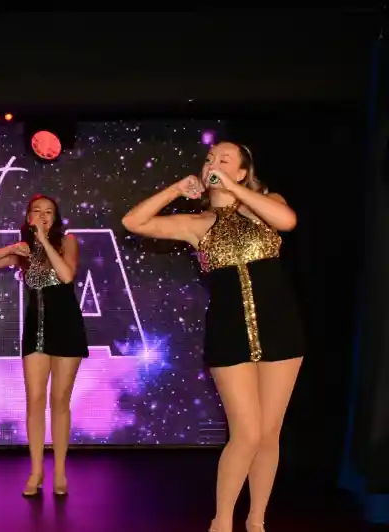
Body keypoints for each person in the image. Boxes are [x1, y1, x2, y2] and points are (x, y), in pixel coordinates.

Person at [122, 141, 303, 532]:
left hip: (281, 327)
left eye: (224, 159)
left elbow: (288, 222)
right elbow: (132, 222)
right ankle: (221, 522)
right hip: (228, 331)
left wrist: (237, 191)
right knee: (247, 433)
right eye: (208, 159)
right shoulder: (196, 223)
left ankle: (256, 521)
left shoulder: (265, 205)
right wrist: (174, 190)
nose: (213, 164)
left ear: (242, 172)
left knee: (269, 433)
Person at [0, 194, 89, 497]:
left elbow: (66, 275)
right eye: (36, 211)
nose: (42, 215)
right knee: (35, 398)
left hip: (66, 326)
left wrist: (45, 241)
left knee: (60, 399)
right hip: (35, 328)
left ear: (56, 218)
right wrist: (14, 248)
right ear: (27, 217)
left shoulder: (68, 241)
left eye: (49, 212)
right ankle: (36, 471)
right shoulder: (23, 251)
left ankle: (60, 471)